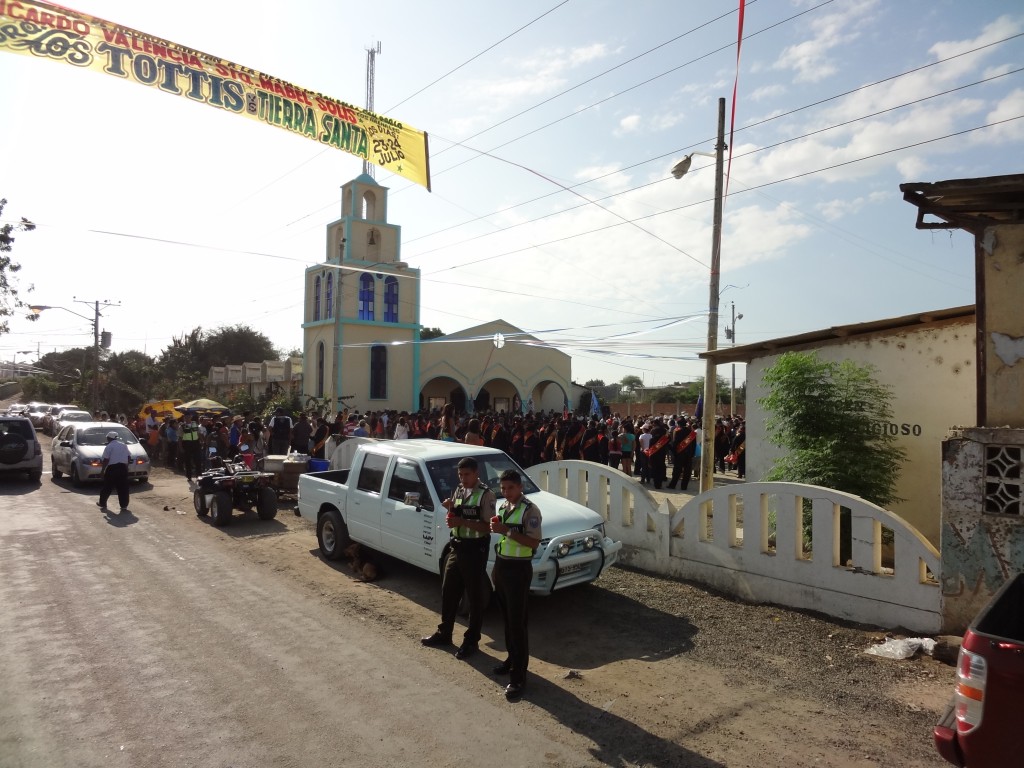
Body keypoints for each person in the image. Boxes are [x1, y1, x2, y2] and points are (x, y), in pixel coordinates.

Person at [421, 457, 497, 660]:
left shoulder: (486, 495)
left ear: (476, 473)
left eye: (467, 475)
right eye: (460, 475)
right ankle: (444, 633)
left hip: (475, 549)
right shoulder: (460, 490)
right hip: (457, 546)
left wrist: (461, 520)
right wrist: (450, 510)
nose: (463, 479)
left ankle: (471, 641)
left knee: (474, 597)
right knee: (449, 591)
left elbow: (488, 525)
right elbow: (457, 512)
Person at [490, 468, 542, 700]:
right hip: (502, 566)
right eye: (503, 488)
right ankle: (512, 659)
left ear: (520, 487)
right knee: (507, 620)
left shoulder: (529, 510)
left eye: (510, 487)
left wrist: (507, 531)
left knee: (517, 623)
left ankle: (519, 677)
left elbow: (533, 543)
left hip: (519, 570)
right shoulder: (504, 507)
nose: (506, 492)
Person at [96, 430, 132, 513]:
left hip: (112, 468)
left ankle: (102, 503)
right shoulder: (123, 445)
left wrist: (102, 471)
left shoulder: (109, 447)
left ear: (109, 438)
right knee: (123, 488)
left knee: (107, 487)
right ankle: (124, 505)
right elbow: (129, 457)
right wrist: (126, 466)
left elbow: (106, 460)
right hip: (123, 468)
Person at [666, 417, 697, 490]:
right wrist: (692, 454)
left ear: (678, 424)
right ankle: (684, 486)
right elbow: (694, 444)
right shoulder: (691, 432)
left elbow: (675, 443)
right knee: (687, 471)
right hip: (689, 454)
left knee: (677, 471)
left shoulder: (677, 431)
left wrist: (673, 451)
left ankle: (672, 485)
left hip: (679, 453)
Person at [180, 412, 202, 481]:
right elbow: (180, 438)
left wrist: (201, 441)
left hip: (196, 443)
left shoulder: (195, 424)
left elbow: (198, 433)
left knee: (198, 460)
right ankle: (189, 476)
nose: (187, 418)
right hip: (187, 444)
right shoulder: (182, 426)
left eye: (189, 417)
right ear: (184, 418)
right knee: (188, 461)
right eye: (186, 417)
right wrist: (181, 447)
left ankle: (199, 475)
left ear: (191, 417)